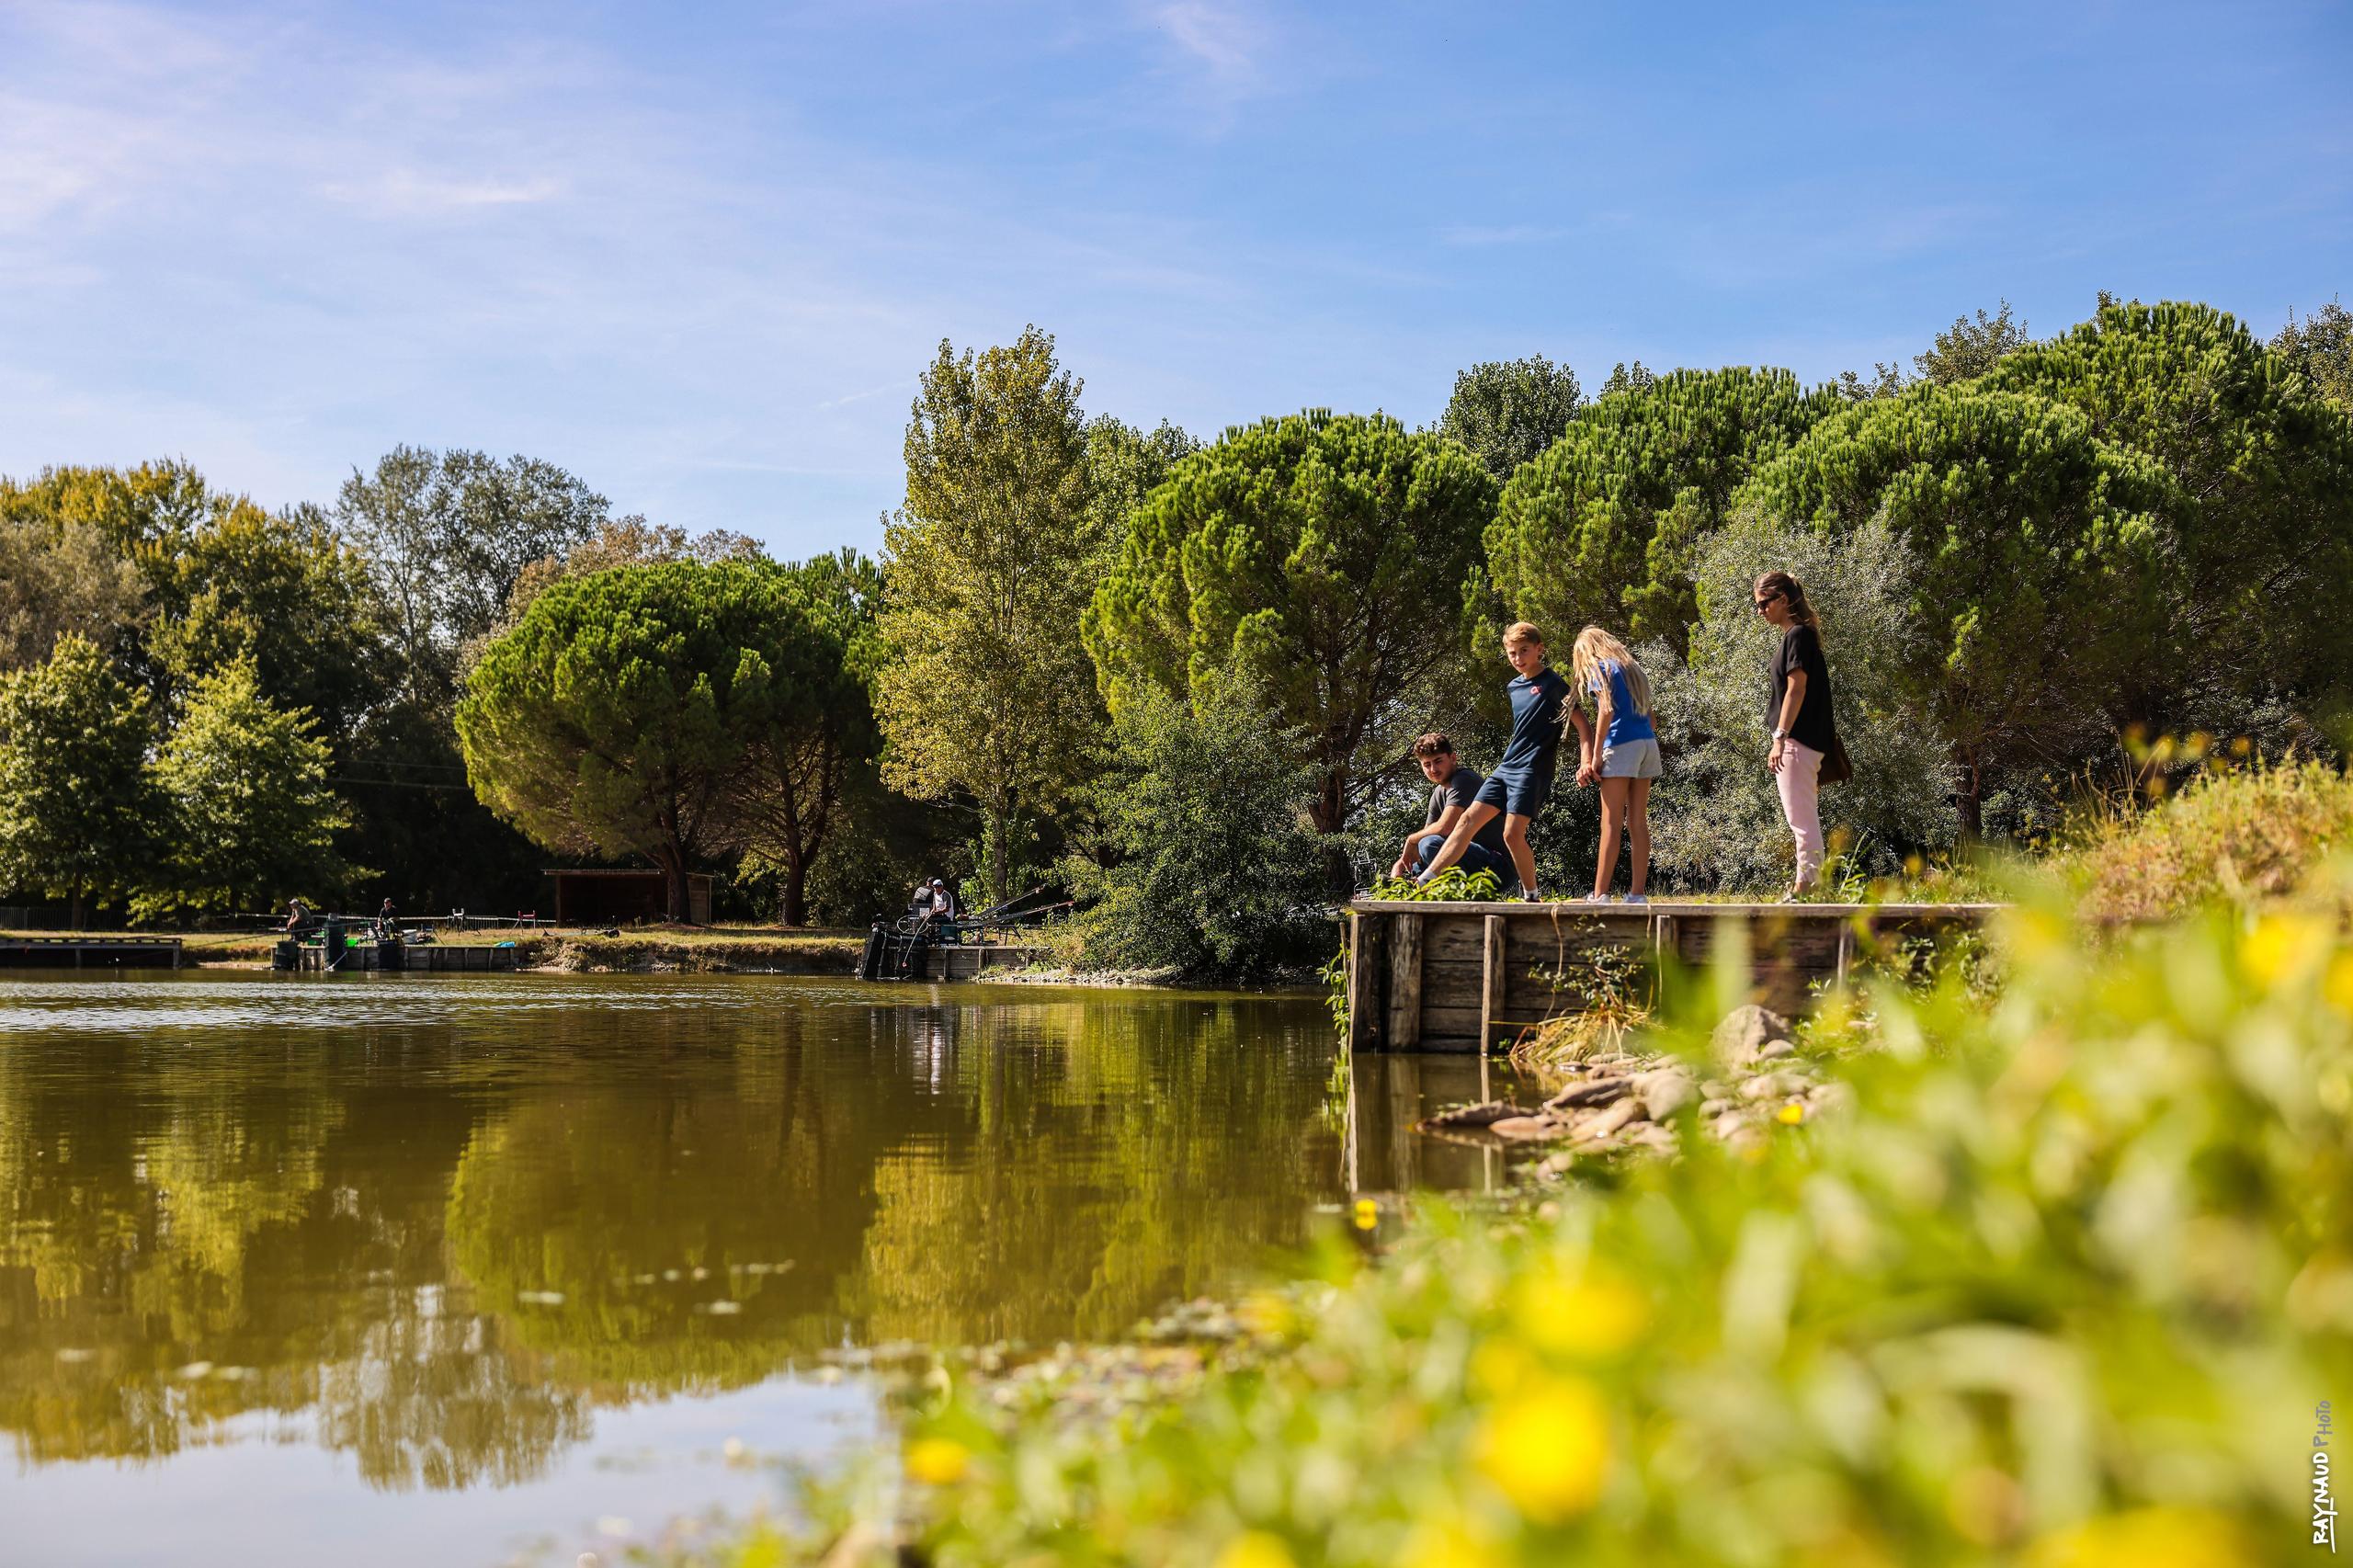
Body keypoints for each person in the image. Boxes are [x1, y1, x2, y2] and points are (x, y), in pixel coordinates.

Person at [1416, 623, 1590, 901]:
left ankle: (1531, 895)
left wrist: (1586, 761)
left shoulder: (1552, 683)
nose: (1518, 658)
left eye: (1524, 651)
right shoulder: (1514, 686)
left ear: (1539, 649)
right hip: (1507, 767)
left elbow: (1583, 725)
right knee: (1467, 820)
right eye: (1512, 653)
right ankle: (1424, 880)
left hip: (1532, 769)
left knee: (1512, 834)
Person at [1756, 570, 1837, 898]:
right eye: (1757, 605)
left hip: (1797, 742)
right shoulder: (1799, 635)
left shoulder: (1798, 636)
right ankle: (1808, 885)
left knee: (1801, 821)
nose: (1760, 611)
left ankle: (1808, 888)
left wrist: (1780, 737)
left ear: (1783, 599)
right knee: (1802, 818)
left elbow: (1797, 688)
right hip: (1801, 742)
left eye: (1764, 603)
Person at [1569, 627, 1660, 903]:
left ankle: (1600, 895)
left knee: (1610, 824)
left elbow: (1606, 710)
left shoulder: (1601, 668)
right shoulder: (1633, 669)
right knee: (1637, 822)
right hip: (1647, 744)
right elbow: (1652, 719)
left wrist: (1596, 755)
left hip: (1620, 745)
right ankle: (1637, 895)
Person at [1388, 733, 1511, 885]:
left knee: (1430, 844)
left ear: (1453, 758)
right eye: (1427, 765)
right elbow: (1424, 838)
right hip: (1473, 859)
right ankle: (1409, 887)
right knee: (1422, 853)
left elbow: (1445, 828)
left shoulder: (1464, 779)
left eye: (1438, 761)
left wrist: (1411, 839)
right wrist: (1401, 863)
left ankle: (1441, 890)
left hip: (1499, 865)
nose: (1433, 769)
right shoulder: (1438, 794)